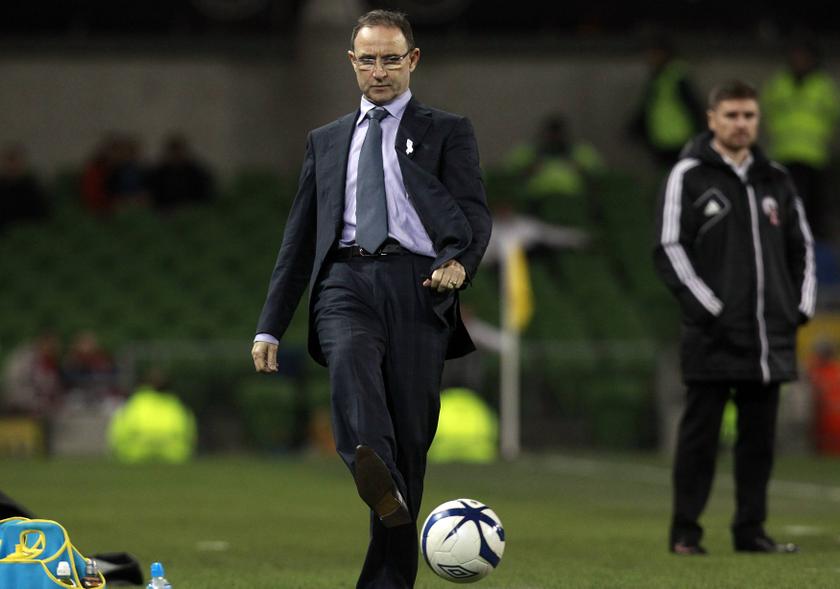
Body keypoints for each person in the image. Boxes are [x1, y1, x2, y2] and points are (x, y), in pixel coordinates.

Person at [250, 10, 491, 588]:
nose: (379, 71)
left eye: (390, 59)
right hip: (346, 279)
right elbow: (299, 238)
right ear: (351, 62)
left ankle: (385, 568)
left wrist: (459, 263)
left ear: (412, 61)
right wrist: (269, 326)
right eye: (368, 59)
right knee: (351, 361)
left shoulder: (447, 130)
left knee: (410, 448)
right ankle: (369, 459)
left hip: (421, 286)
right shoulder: (326, 141)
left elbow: (475, 213)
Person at [653, 79, 816, 555]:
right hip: (712, 336)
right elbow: (668, 248)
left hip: (770, 335)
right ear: (712, 119)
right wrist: (712, 310)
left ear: (757, 121)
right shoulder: (688, 175)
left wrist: (798, 309)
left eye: (748, 116)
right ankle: (685, 532)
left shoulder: (777, 179)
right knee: (700, 438)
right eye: (731, 115)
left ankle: (750, 531)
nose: (741, 124)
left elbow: (801, 247)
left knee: (758, 441)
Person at [762, 37, 840, 240]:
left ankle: (815, 243)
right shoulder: (779, 84)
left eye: (804, 57)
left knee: (815, 205)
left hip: (814, 155)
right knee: (783, 201)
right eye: (795, 56)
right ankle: (784, 238)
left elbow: (834, 116)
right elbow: (767, 112)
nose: (799, 61)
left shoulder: (824, 87)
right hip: (784, 153)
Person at [629, 34, 706, 170]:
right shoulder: (659, 77)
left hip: (678, 139)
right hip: (662, 140)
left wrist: (701, 134)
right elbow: (649, 108)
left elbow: (694, 107)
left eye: (653, 53)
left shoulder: (676, 76)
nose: (650, 57)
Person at [149, 133, 214, 211]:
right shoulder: (159, 173)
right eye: (174, 153)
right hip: (166, 212)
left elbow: (205, 195)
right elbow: (154, 196)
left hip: (191, 210)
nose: (176, 156)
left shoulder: (196, 172)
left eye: (178, 152)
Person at [0, 144, 50, 232]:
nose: (12, 166)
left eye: (15, 161)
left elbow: (41, 213)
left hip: (27, 230)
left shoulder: (31, 187)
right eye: (10, 161)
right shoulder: (3, 186)